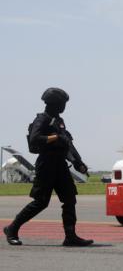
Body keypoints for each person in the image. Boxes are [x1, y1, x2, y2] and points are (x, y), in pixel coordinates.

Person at [3, 88, 93, 246]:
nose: (64, 106)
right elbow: (35, 139)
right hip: (46, 164)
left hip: (60, 164)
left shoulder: (59, 121)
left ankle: (70, 236)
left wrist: (79, 163)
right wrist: (55, 137)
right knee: (41, 202)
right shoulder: (42, 119)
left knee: (70, 198)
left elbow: (68, 144)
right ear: (54, 104)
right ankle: (12, 229)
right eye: (62, 103)